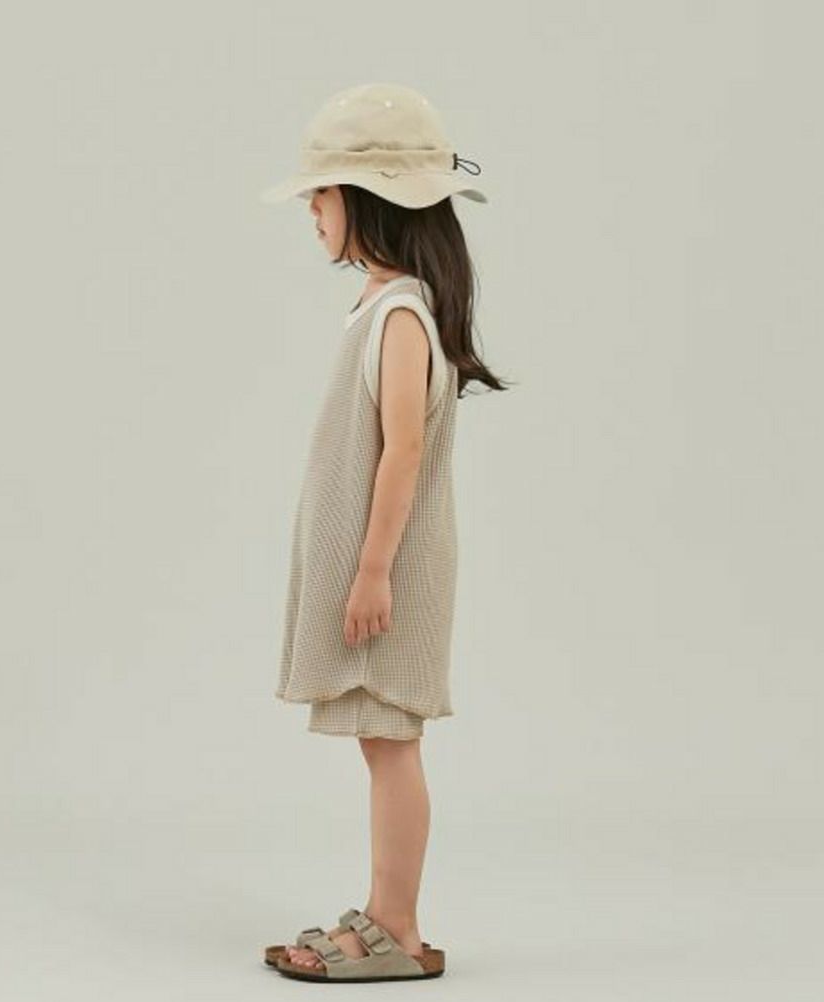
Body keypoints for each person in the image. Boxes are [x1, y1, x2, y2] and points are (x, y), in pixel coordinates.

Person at [260, 82, 511, 983]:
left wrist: (372, 571)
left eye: (321, 196)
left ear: (367, 201)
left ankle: (397, 928)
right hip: (380, 566)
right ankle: (384, 912)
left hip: (391, 570)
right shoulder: (384, 305)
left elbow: (402, 450)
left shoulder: (400, 314)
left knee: (393, 743)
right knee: (383, 742)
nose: (312, 213)